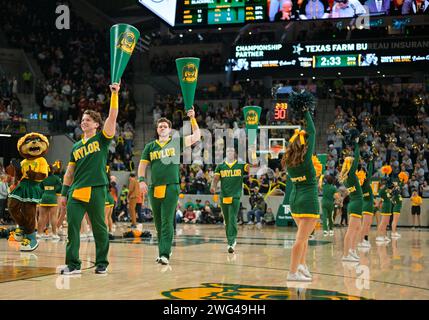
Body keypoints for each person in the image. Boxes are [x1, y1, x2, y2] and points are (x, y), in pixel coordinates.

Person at [59, 82, 120, 275]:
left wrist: (115, 95)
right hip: (76, 191)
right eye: (82, 119)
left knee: (99, 228)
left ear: (96, 124)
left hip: (97, 189)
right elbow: (69, 173)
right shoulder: (76, 147)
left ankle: (102, 262)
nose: (83, 122)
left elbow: (112, 117)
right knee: (72, 228)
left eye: (88, 120)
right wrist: (63, 194)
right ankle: (73, 264)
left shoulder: (102, 139)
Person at [138, 109, 201, 265]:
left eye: (165, 126)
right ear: (157, 130)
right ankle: (163, 251)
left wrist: (192, 118)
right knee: (158, 223)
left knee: (167, 221)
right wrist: (141, 180)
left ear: (170, 129)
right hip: (154, 188)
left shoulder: (176, 142)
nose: (162, 128)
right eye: (160, 126)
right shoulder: (150, 147)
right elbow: (142, 165)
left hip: (171, 186)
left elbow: (197, 136)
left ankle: (165, 253)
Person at [283, 107, 318, 282]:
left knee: (303, 237)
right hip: (308, 201)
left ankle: (302, 265)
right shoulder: (306, 160)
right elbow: (312, 131)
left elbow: (309, 134)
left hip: (295, 200)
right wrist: (305, 111)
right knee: (300, 239)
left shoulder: (289, 162)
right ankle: (292, 272)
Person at [211, 146, 250, 253]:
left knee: (232, 217)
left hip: (236, 195)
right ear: (225, 153)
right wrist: (213, 186)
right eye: (228, 151)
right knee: (227, 220)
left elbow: (250, 168)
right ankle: (230, 239)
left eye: (232, 151)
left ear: (235, 154)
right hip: (224, 196)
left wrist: (252, 156)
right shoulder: (220, 166)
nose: (229, 152)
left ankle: (231, 242)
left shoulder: (241, 165)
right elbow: (215, 179)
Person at [339, 141, 363, 262]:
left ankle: (352, 250)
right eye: (353, 163)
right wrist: (357, 145)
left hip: (355, 204)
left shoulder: (347, 177)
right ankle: (345, 254)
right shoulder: (351, 176)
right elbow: (357, 157)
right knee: (350, 230)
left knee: (357, 229)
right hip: (355, 204)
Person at [37, 165, 62, 240]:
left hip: (44, 198)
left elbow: (39, 188)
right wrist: (56, 194)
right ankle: (54, 234)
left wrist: (43, 193)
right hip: (52, 198)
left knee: (41, 217)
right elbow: (60, 188)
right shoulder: (56, 178)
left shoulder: (43, 178)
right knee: (53, 216)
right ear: (53, 171)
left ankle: (39, 233)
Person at [359, 160, 374, 249]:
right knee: (365, 225)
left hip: (369, 205)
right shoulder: (364, 183)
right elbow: (370, 172)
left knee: (368, 224)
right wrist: (371, 162)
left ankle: (365, 239)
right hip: (367, 205)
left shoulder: (363, 184)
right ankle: (361, 241)